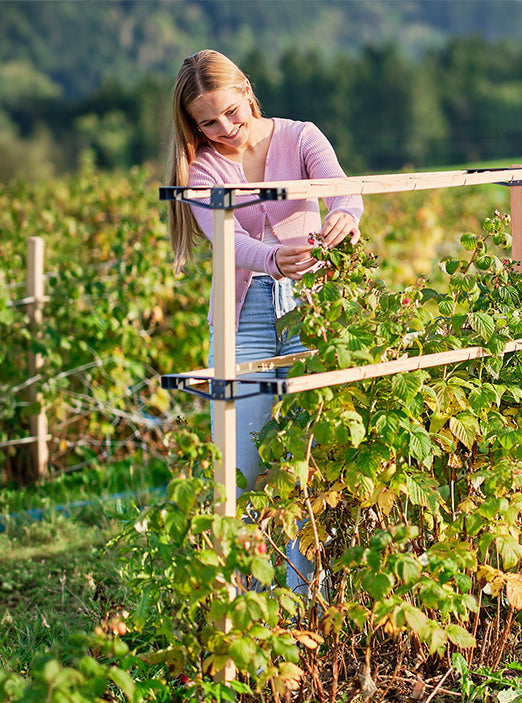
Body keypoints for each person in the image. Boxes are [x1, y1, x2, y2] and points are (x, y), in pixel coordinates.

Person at [167, 49, 363, 596]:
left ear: (248, 91)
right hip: (245, 317)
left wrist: (344, 213)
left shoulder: (301, 137)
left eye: (231, 112)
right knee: (246, 471)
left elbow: (341, 187)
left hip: (310, 310)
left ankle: (306, 605)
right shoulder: (202, 166)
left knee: (306, 465)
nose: (224, 129)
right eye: (207, 121)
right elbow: (228, 239)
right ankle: (248, 613)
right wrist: (275, 259)